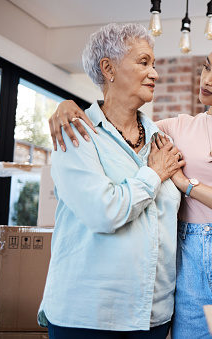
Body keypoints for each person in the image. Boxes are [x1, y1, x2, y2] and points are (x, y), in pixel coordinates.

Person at [50, 35, 212, 339]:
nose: (208, 80)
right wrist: (67, 105)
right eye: (206, 68)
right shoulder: (171, 129)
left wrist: (188, 186)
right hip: (187, 260)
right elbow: (117, 120)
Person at [38, 23, 185, 339]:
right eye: (144, 62)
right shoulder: (77, 132)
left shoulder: (162, 140)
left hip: (152, 315)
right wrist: (154, 174)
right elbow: (103, 212)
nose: (155, 73)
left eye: (154, 64)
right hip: (88, 314)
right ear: (109, 68)